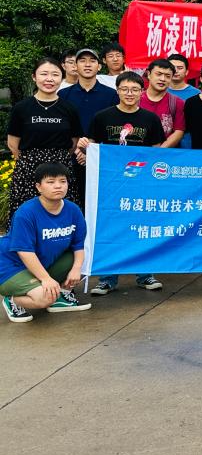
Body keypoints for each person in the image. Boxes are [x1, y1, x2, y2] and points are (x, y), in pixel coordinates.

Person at [88, 71, 165, 295]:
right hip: (110, 183)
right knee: (110, 229)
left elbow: (156, 152)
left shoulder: (150, 119)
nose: (129, 93)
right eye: (124, 89)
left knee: (142, 228)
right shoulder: (102, 117)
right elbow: (93, 147)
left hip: (141, 183)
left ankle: (145, 275)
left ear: (142, 92)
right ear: (117, 91)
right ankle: (107, 279)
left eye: (134, 90)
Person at [1, 163, 89, 322]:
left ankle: (59, 297)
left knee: (82, 260)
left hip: (40, 262)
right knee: (45, 298)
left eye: (63, 181)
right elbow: (25, 252)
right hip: (11, 266)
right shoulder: (26, 213)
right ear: (38, 187)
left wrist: (76, 269)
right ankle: (12, 299)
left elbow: (78, 245)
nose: (58, 186)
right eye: (51, 182)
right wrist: (46, 279)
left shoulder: (73, 210)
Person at [6, 58, 83, 226]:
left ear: (62, 78)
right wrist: (30, 160)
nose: (49, 79)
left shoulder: (69, 108)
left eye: (55, 74)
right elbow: (13, 143)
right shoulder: (21, 108)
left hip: (60, 167)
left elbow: (74, 141)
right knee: (26, 216)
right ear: (34, 77)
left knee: (60, 215)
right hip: (28, 168)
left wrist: (56, 158)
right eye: (44, 74)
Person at [60, 48, 119, 189]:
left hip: (102, 157)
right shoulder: (63, 95)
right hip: (70, 157)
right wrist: (76, 148)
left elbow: (114, 128)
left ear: (99, 67)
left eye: (92, 61)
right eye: (82, 61)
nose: (87, 65)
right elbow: (61, 126)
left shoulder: (112, 95)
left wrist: (91, 152)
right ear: (75, 66)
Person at [140, 58, 185, 147]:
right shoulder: (136, 99)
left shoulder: (177, 102)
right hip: (138, 152)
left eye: (167, 76)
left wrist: (159, 151)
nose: (163, 79)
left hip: (166, 153)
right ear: (149, 74)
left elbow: (179, 131)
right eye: (159, 74)